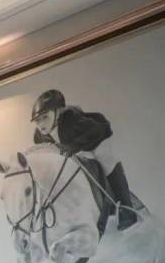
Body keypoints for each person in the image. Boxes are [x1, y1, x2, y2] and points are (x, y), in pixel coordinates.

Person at [30, 89, 137, 230]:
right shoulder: (39, 136)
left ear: (58, 112)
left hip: (96, 138)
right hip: (74, 149)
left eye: (45, 117)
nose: (41, 124)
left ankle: (127, 209)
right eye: (37, 120)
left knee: (106, 160)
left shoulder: (71, 119)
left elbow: (96, 131)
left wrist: (73, 146)